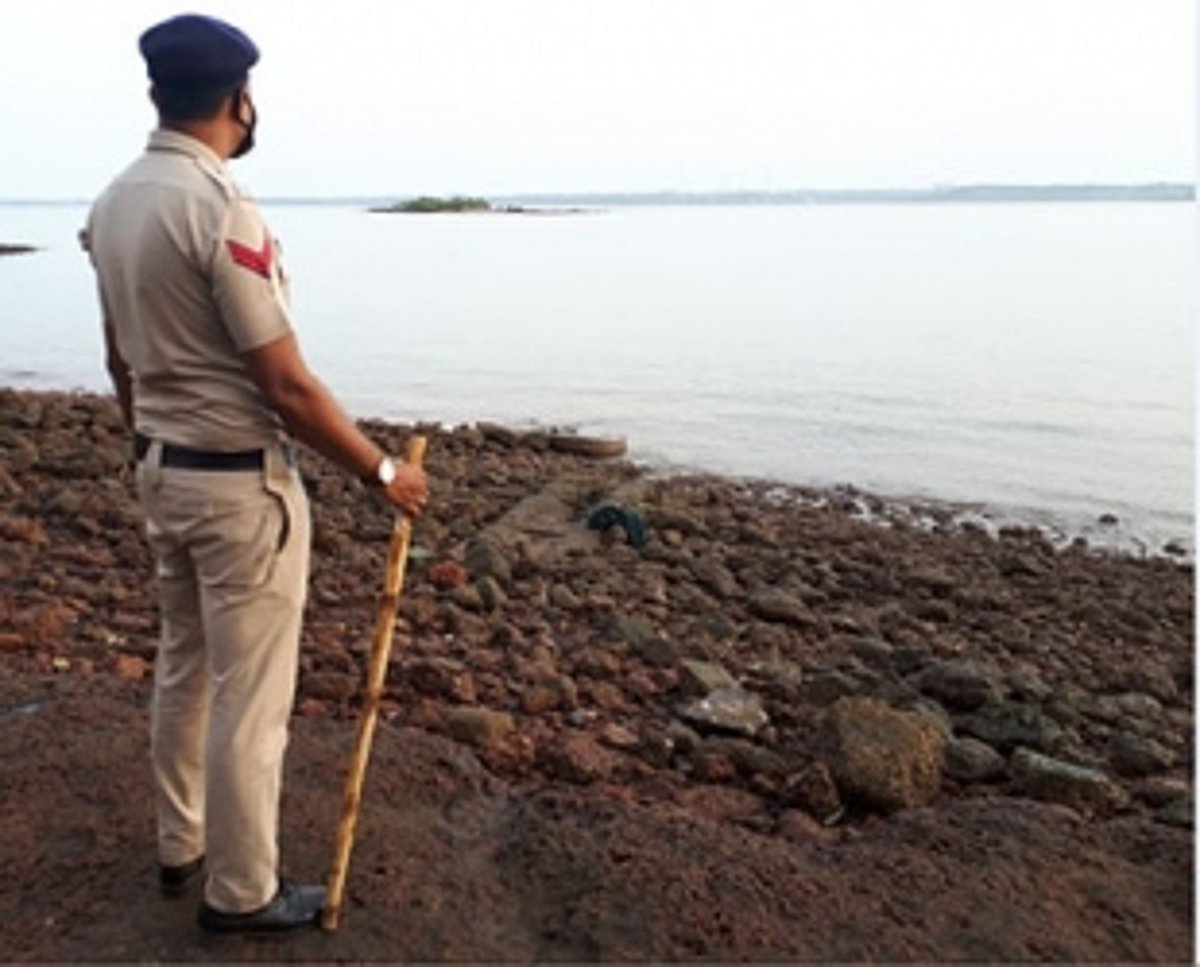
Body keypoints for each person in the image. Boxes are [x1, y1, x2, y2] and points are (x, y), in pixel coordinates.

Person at [82, 13, 427, 933]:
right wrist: (381, 470)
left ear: (157, 93)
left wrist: (147, 440)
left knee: (183, 667)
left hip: (162, 468)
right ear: (239, 100)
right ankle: (241, 892)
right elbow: (284, 383)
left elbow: (119, 359)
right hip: (239, 487)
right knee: (250, 699)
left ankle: (179, 846)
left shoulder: (112, 204)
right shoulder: (218, 207)